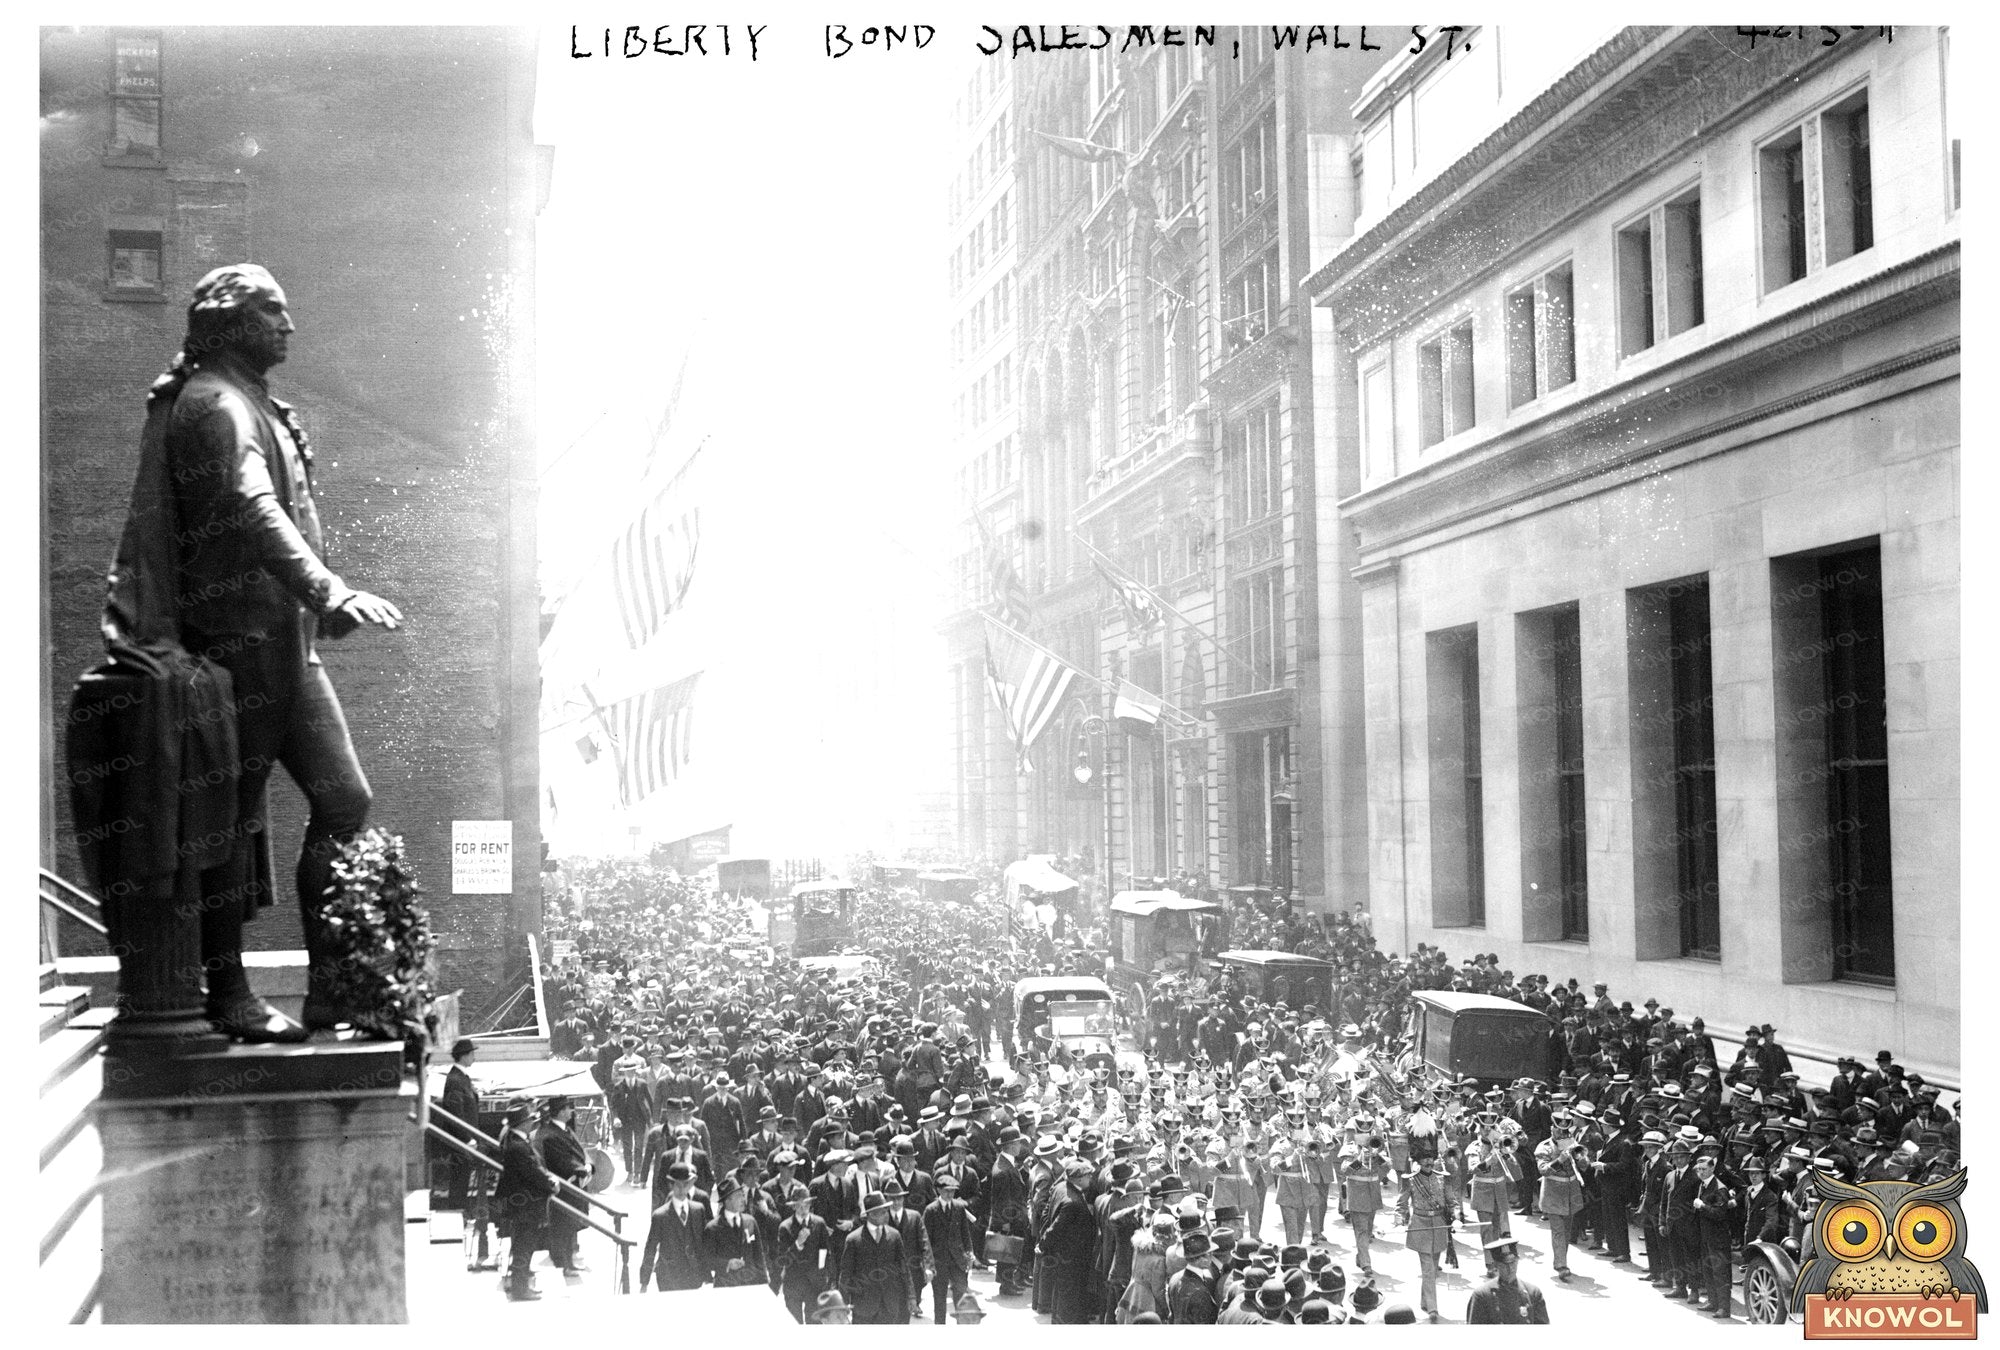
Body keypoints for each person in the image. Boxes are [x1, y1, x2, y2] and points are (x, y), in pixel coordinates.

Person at [93, 263, 403, 1042]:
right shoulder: (216, 404)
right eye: (272, 311)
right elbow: (251, 506)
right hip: (237, 643)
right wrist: (327, 591)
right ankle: (229, 991)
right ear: (230, 321)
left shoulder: (248, 398)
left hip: (286, 644)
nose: (287, 325)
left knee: (345, 799)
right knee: (229, 821)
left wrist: (314, 607)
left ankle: (332, 990)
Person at [491, 1098, 555, 1301]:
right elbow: (533, 1172)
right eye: (529, 1121)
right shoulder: (518, 1146)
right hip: (524, 1206)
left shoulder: (515, 1141)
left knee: (523, 1246)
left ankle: (521, 1285)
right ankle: (520, 1289)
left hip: (522, 1205)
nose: (532, 1123)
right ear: (523, 1124)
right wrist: (551, 1183)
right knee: (523, 1247)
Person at [537, 1096, 592, 1276]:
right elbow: (562, 1161)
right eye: (568, 1108)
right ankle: (563, 1264)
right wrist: (581, 1170)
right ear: (560, 1111)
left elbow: (581, 1151)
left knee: (570, 1227)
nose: (571, 1111)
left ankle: (569, 1262)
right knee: (562, 1227)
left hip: (575, 1186)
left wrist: (589, 1166)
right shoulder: (550, 1134)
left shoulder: (566, 1130)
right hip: (564, 1188)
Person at [839, 1192, 909, 1324]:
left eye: (886, 1211)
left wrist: (911, 1296)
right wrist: (843, 1304)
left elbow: (904, 1269)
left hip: (889, 1306)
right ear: (871, 1214)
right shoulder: (853, 1239)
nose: (886, 1214)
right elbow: (846, 1274)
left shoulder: (894, 1236)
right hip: (863, 1308)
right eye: (882, 1212)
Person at [642, 1159, 710, 1292]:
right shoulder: (660, 1216)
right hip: (668, 1278)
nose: (682, 1189)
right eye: (678, 1185)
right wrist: (644, 1282)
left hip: (693, 1276)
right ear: (671, 1185)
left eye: (685, 1184)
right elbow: (650, 1248)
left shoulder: (698, 1210)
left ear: (690, 1185)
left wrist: (707, 1274)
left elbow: (704, 1244)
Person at [922, 1169, 976, 1323]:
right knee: (940, 1299)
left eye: (952, 1191)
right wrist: (928, 1264)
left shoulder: (959, 1208)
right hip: (939, 1262)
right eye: (946, 1191)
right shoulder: (931, 1210)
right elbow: (925, 1239)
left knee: (961, 1296)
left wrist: (970, 1252)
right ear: (938, 1190)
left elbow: (965, 1233)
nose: (949, 1194)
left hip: (958, 1260)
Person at [438, 1038, 481, 1212]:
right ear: (463, 1056)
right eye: (471, 1054)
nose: (474, 1058)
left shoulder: (461, 1078)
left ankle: (461, 1212)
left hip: (465, 1141)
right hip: (461, 1142)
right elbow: (455, 1112)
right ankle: (457, 1212)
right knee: (459, 1181)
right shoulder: (455, 1079)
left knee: (462, 1180)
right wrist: (467, 1138)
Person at [1465, 1238, 1549, 1323]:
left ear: (1518, 1261)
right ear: (1496, 1265)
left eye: (1513, 1262)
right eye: (1504, 1265)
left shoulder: (1533, 1293)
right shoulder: (1482, 1295)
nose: (1510, 1268)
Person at [704, 1176, 768, 1287]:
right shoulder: (712, 1228)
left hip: (750, 1283)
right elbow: (706, 1260)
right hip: (725, 1284)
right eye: (738, 1196)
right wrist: (727, 1264)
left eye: (742, 1195)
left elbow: (758, 1255)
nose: (743, 1199)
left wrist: (764, 1281)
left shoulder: (750, 1221)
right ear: (727, 1201)